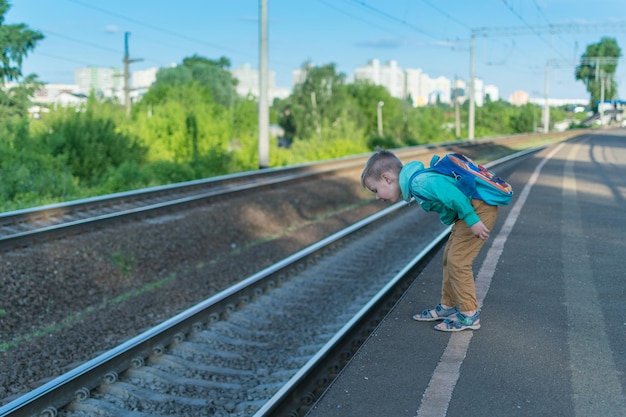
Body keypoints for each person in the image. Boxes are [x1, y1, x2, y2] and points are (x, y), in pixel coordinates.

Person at [360, 149, 498, 332]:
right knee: (449, 257)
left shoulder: (419, 182)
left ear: (387, 178)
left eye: (375, 190)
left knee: (458, 261)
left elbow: (454, 196)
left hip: (477, 211)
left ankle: (469, 315)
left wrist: (473, 221)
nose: (377, 196)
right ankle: (449, 306)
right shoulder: (417, 180)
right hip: (470, 211)